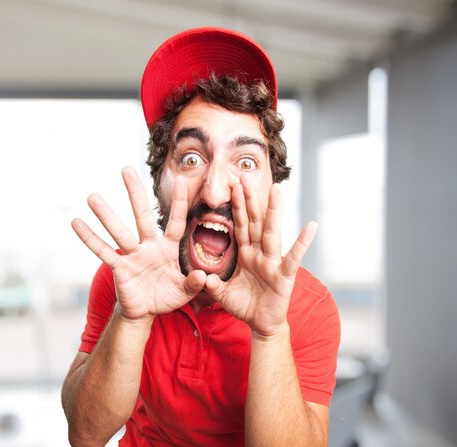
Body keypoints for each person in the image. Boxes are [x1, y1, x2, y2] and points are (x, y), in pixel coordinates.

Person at [61, 27, 340, 446]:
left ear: (272, 187)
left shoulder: (309, 307)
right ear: (160, 181)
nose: (214, 190)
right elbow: (84, 434)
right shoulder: (124, 278)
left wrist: (270, 333)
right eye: (190, 157)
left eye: (245, 162)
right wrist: (130, 318)